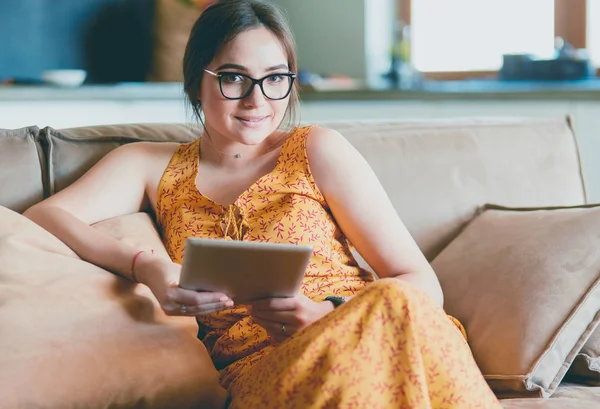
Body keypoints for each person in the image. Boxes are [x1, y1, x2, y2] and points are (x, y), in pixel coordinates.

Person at [24, 1, 503, 407]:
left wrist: (327, 312)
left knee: (395, 301)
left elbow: (420, 284)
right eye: (234, 78)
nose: (257, 100)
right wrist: (146, 266)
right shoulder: (149, 165)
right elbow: (43, 218)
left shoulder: (317, 148)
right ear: (196, 82)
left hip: (370, 329)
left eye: (276, 79)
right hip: (265, 372)